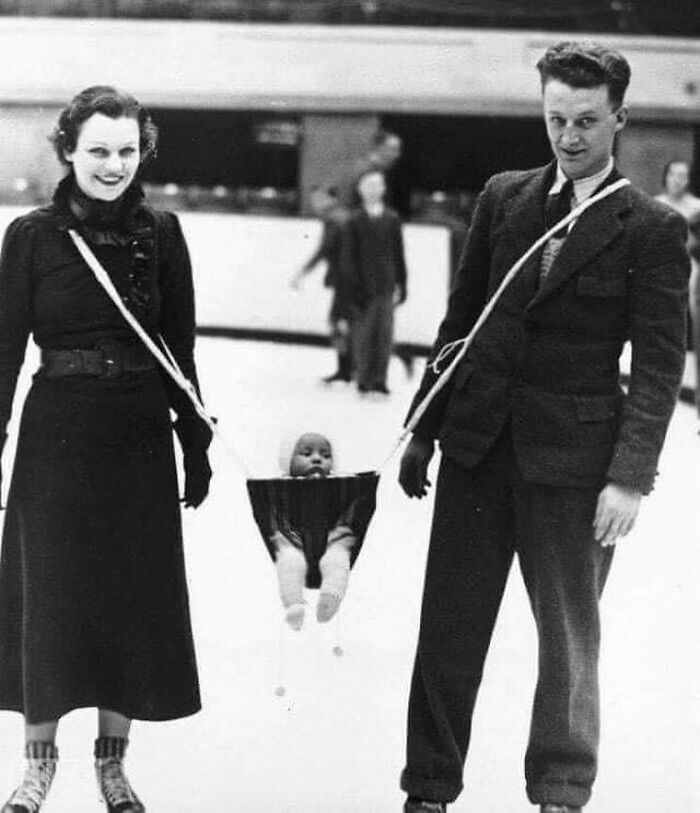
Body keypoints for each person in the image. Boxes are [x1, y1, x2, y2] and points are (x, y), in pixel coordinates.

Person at [397, 41, 689, 813]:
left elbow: (659, 366)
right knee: (448, 632)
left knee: (568, 640)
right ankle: (428, 788)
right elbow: (462, 321)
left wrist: (630, 476)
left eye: (587, 121)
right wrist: (422, 427)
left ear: (619, 117)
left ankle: (560, 789)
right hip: (478, 447)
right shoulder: (505, 196)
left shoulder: (650, 227)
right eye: (556, 117)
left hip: (577, 463)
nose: (568, 136)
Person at [0, 86, 212, 812]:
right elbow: (3, 350)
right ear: (68, 150)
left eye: (126, 151)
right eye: (98, 150)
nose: (113, 164)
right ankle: (36, 764)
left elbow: (179, 348)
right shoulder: (31, 236)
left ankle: (113, 765)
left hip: (137, 434)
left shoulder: (164, 233)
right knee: (49, 595)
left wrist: (196, 441)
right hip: (56, 432)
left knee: (129, 600)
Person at [272, 432, 356, 629]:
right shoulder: (279, 488)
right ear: (288, 461)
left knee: (338, 557)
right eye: (306, 453)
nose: (317, 458)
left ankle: (331, 596)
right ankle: (294, 606)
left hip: (332, 537)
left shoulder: (341, 487)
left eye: (326, 456)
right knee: (289, 560)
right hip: (292, 537)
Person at [342, 169, 408, 396]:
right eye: (368, 185)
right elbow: (348, 258)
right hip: (363, 286)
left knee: (385, 335)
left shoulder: (392, 219)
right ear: (360, 190)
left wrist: (402, 282)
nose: (373, 189)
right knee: (364, 334)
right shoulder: (353, 221)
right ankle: (363, 378)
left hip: (386, 285)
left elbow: (399, 253)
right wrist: (353, 287)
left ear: (383, 188)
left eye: (377, 184)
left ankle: (380, 379)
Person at [292, 186, 353, 383]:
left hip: (346, 280)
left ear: (330, 199)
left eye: (319, 200)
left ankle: (346, 370)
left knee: (338, 321)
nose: (315, 205)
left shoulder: (334, 219)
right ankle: (349, 369)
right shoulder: (342, 216)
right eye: (313, 201)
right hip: (350, 278)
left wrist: (303, 271)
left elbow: (325, 249)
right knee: (349, 323)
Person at [655, 159, 700, 419]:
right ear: (666, 176)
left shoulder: (696, 208)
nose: (677, 180)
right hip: (661, 273)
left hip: (692, 273)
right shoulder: (655, 204)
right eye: (673, 175)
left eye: (683, 176)